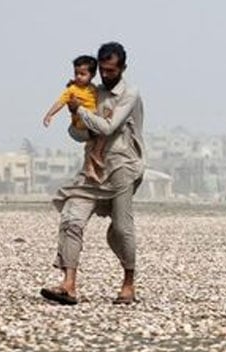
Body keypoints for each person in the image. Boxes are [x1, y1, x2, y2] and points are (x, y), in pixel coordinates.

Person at [40, 42, 145, 305]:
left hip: (122, 167)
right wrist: (74, 114)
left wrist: (82, 111)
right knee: (71, 218)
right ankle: (68, 284)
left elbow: (108, 128)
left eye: (112, 70)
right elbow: (78, 134)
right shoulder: (91, 93)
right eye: (103, 71)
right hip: (92, 170)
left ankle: (128, 283)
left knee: (121, 229)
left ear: (122, 68)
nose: (107, 75)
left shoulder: (129, 94)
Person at [42, 55, 108, 183]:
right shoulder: (72, 89)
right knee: (101, 130)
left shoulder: (93, 89)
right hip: (81, 122)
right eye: (76, 73)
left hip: (91, 119)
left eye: (82, 74)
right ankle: (96, 155)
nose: (78, 77)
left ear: (92, 75)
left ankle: (90, 166)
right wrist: (49, 115)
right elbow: (60, 102)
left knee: (93, 141)